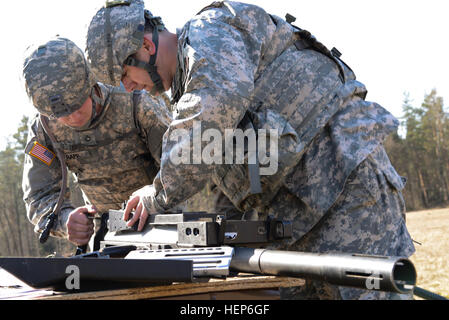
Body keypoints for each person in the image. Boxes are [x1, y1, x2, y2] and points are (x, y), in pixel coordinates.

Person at [86, 0, 415, 299]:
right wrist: (222, 242)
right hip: (297, 222)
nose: (127, 87)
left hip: (345, 184)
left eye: (125, 74)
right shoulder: (190, 87)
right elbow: (228, 179)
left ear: (146, 45)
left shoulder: (209, 34)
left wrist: (156, 195)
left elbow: (209, 113)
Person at [22, 37, 171, 249]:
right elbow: (39, 196)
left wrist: (155, 197)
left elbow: (179, 168)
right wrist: (66, 222)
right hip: (105, 238)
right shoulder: (44, 132)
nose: (73, 118)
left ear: (89, 83)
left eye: (77, 105)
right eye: (61, 114)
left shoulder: (137, 102)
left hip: (163, 229)